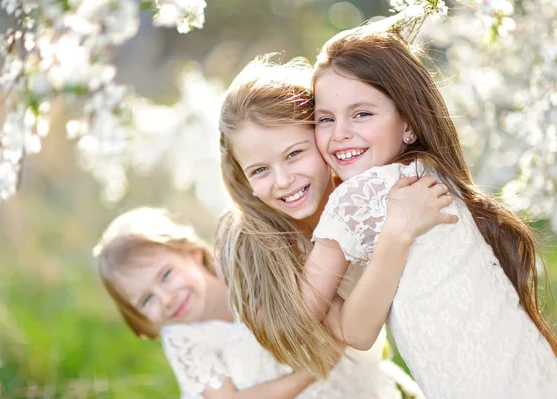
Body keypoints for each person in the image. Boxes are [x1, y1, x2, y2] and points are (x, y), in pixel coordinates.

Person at [218, 28, 557, 398]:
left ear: (409, 123)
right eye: (327, 119)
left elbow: (326, 324)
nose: (341, 134)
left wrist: (394, 235)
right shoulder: (427, 170)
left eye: (295, 153)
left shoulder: (359, 197)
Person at [93, 207, 420, 399]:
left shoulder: (243, 271)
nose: (166, 299)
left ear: (191, 254)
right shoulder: (183, 339)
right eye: (146, 299)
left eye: (166, 275)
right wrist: (310, 372)